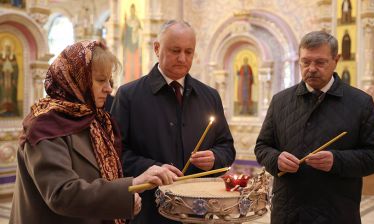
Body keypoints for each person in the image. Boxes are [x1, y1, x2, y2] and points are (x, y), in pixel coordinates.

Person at [9, 40, 180, 224]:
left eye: (110, 80)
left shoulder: (95, 120)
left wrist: (126, 198)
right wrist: (131, 186)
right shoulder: (44, 125)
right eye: (100, 80)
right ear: (76, 79)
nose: (108, 88)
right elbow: (62, 193)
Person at [254, 31, 374, 224]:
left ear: (336, 60)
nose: (312, 69)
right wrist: (276, 159)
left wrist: (338, 160)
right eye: (305, 62)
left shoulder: (360, 103)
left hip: (337, 212)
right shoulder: (280, 101)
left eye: (320, 62)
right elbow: (262, 147)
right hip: (288, 213)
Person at [111, 20, 236, 224]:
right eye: (175, 50)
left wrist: (215, 157)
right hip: (149, 211)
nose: (182, 58)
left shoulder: (210, 96)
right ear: (157, 48)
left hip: (199, 213)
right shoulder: (128, 96)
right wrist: (153, 168)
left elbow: (227, 148)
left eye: (189, 52)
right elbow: (115, 156)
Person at [122, 3, 142, 82]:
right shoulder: (127, 21)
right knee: (128, 64)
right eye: (131, 10)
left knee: (136, 64)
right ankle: (128, 80)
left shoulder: (137, 21)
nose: (132, 11)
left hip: (136, 45)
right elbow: (125, 34)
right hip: (129, 46)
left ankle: (136, 80)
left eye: (133, 10)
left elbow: (141, 31)